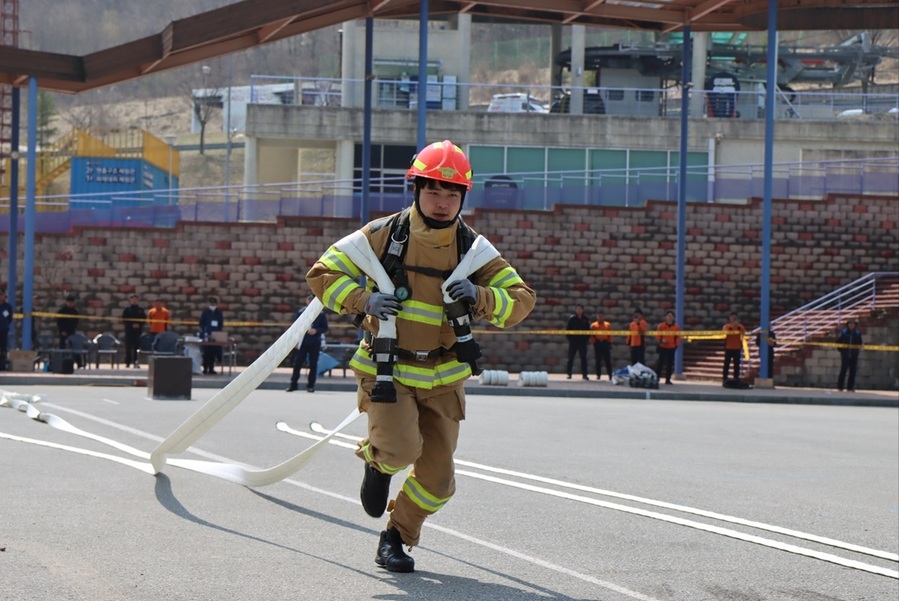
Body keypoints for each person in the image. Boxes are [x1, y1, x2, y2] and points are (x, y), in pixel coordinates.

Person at [306, 140, 536, 573]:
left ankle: (396, 537)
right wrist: (362, 299)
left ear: (463, 197)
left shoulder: (473, 250)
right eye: (434, 192)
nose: (443, 202)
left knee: (438, 482)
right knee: (399, 450)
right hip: (387, 369)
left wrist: (483, 296)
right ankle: (378, 462)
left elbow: (521, 300)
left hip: (444, 376)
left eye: (452, 195)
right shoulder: (381, 236)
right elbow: (322, 274)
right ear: (416, 190)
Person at [287, 293, 329, 393]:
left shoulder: (321, 314)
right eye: (309, 300)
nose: (310, 302)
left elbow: (324, 327)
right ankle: (293, 384)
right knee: (297, 363)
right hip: (303, 341)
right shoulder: (301, 312)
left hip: (314, 342)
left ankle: (310, 385)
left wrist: (316, 330)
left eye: (312, 300)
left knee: (313, 364)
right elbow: (295, 326)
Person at [198, 297, 224, 375]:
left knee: (214, 352)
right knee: (206, 352)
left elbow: (221, 323)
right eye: (211, 304)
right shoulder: (205, 312)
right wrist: (205, 330)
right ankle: (205, 368)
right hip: (207, 334)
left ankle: (211, 369)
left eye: (214, 304)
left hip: (216, 335)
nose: (213, 305)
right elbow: (201, 323)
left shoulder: (219, 313)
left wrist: (218, 332)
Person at [56, 294, 82, 368]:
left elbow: (75, 322)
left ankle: (79, 363)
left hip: (72, 332)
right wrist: (62, 331)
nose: (70, 304)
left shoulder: (75, 312)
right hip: (63, 332)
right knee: (62, 347)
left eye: (72, 302)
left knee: (75, 347)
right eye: (69, 302)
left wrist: (72, 331)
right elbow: (59, 322)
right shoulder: (62, 311)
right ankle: (61, 362)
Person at [565, 304, 590, 380]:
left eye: (580, 309)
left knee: (583, 358)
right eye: (577, 309)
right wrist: (571, 339)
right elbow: (568, 330)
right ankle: (569, 374)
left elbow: (588, 331)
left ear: (583, 310)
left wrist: (586, 339)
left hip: (582, 342)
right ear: (576, 310)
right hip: (573, 342)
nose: (579, 310)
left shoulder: (586, 319)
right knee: (571, 358)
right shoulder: (572, 319)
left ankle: (585, 375)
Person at [837, 319, 862, 392]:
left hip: (854, 355)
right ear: (847, 325)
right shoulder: (844, 332)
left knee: (853, 371)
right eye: (850, 324)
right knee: (843, 370)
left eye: (853, 324)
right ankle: (840, 387)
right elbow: (839, 343)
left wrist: (856, 351)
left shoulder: (857, 333)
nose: (851, 325)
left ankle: (850, 387)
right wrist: (842, 351)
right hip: (845, 354)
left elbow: (860, 343)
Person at [122, 294, 146, 368]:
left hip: (138, 332)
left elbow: (144, 319)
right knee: (128, 347)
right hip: (129, 331)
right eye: (133, 299)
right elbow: (124, 319)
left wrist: (139, 324)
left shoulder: (141, 310)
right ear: (130, 300)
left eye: (136, 299)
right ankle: (128, 362)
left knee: (137, 347)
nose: (134, 301)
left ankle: (136, 361)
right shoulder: (127, 310)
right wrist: (131, 324)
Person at [655, 310, 679, 385]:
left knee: (669, 364)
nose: (670, 318)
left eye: (671, 316)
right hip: (663, 346)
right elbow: (658, 335)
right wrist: (661, 340)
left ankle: (668, 379)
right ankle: (657, 377)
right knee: (660, 363)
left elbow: (678, 337)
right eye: (668, 316)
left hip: (671, 347)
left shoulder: (676, 327)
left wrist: (676, 345)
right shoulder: (661, 326)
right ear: (666, 317)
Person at [722, 312, 746, 383]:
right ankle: (725, 378)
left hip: (737, 348)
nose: (733, 319)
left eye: (734, 317)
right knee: (726, 364)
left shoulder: (740, 326)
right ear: (730, 318)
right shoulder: (727, 326)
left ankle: (736, 378)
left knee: (736, 364)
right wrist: (732, 327)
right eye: (732, 317)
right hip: (729, 347)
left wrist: (737, 326)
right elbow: (724, 334)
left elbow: (743, 333)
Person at [589, 310, 612, 381]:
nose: (600, 317)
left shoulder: (607, 325)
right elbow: (591, 335)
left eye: (602, 316)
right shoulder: (593, 325)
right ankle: (598, 375)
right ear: (597, 317)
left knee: (607, 359)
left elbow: (610, 334)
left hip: (605, 343)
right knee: (598, 360)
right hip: (597, 342)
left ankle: (610, 375)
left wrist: (609, 342)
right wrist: (594, 342)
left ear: (604, 317)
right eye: (599, 316)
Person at [0, 290, 12, 371]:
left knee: (3, 348)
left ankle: (2, 366)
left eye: (2, 295)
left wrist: (6, 325)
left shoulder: (7, 306)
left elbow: (9, 318)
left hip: (3, 330)